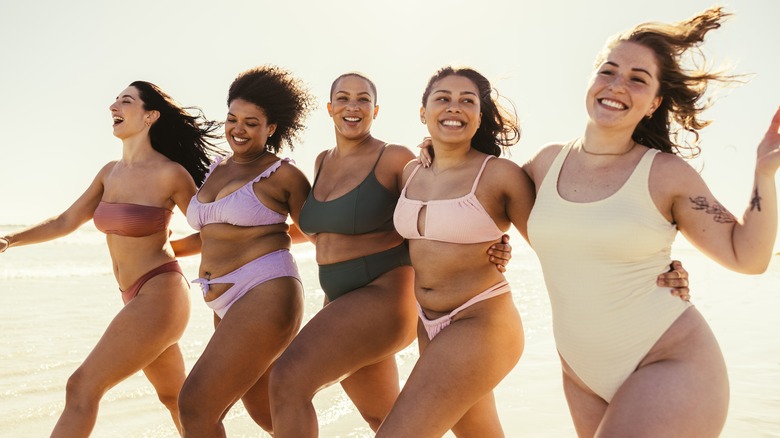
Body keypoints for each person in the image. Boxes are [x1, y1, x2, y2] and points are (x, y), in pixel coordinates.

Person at [522, 7, 779, 437]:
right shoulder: (544, 164)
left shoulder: (663, 174)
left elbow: (747, 256)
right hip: (581, 374)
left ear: (655, 102)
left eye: (638, 78)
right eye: (608, 71)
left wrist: (763, 173)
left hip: (669, 362)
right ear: (591, 79)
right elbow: (485, 206)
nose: (617, 85)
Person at [268, 72, 513, 437]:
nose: (353, 106)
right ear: (330, 108)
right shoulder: (321, 162)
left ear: (375, 110)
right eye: (344, 98)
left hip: (384, 294)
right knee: (384, 420)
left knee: (287, 381)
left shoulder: (394, 157)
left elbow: (437, 200)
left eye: (363, 99)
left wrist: (493, 242)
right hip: (338, 299)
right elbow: (321, 229)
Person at [0, 81, 222, 436]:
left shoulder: (171, 174)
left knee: (81, 386)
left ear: (150, 116)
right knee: (176, 399)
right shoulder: (109, 172)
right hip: (133, 295)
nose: (113, 106)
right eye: (116, 100)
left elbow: (213, 233)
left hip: (161, 294)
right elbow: (64, 221)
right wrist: (8, 239)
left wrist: (170, 249)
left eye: (126, 101)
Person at [173, 65, 315, 437]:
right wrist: (164, 250)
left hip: (265, 290)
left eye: (251, 122)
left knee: (196, 405)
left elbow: (317, 232)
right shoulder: (218, 168)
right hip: (223, 298)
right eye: (232, 118)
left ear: (272, 128)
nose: (238, 129)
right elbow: (216, 235)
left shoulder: (283, 175)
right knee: (266, 414)